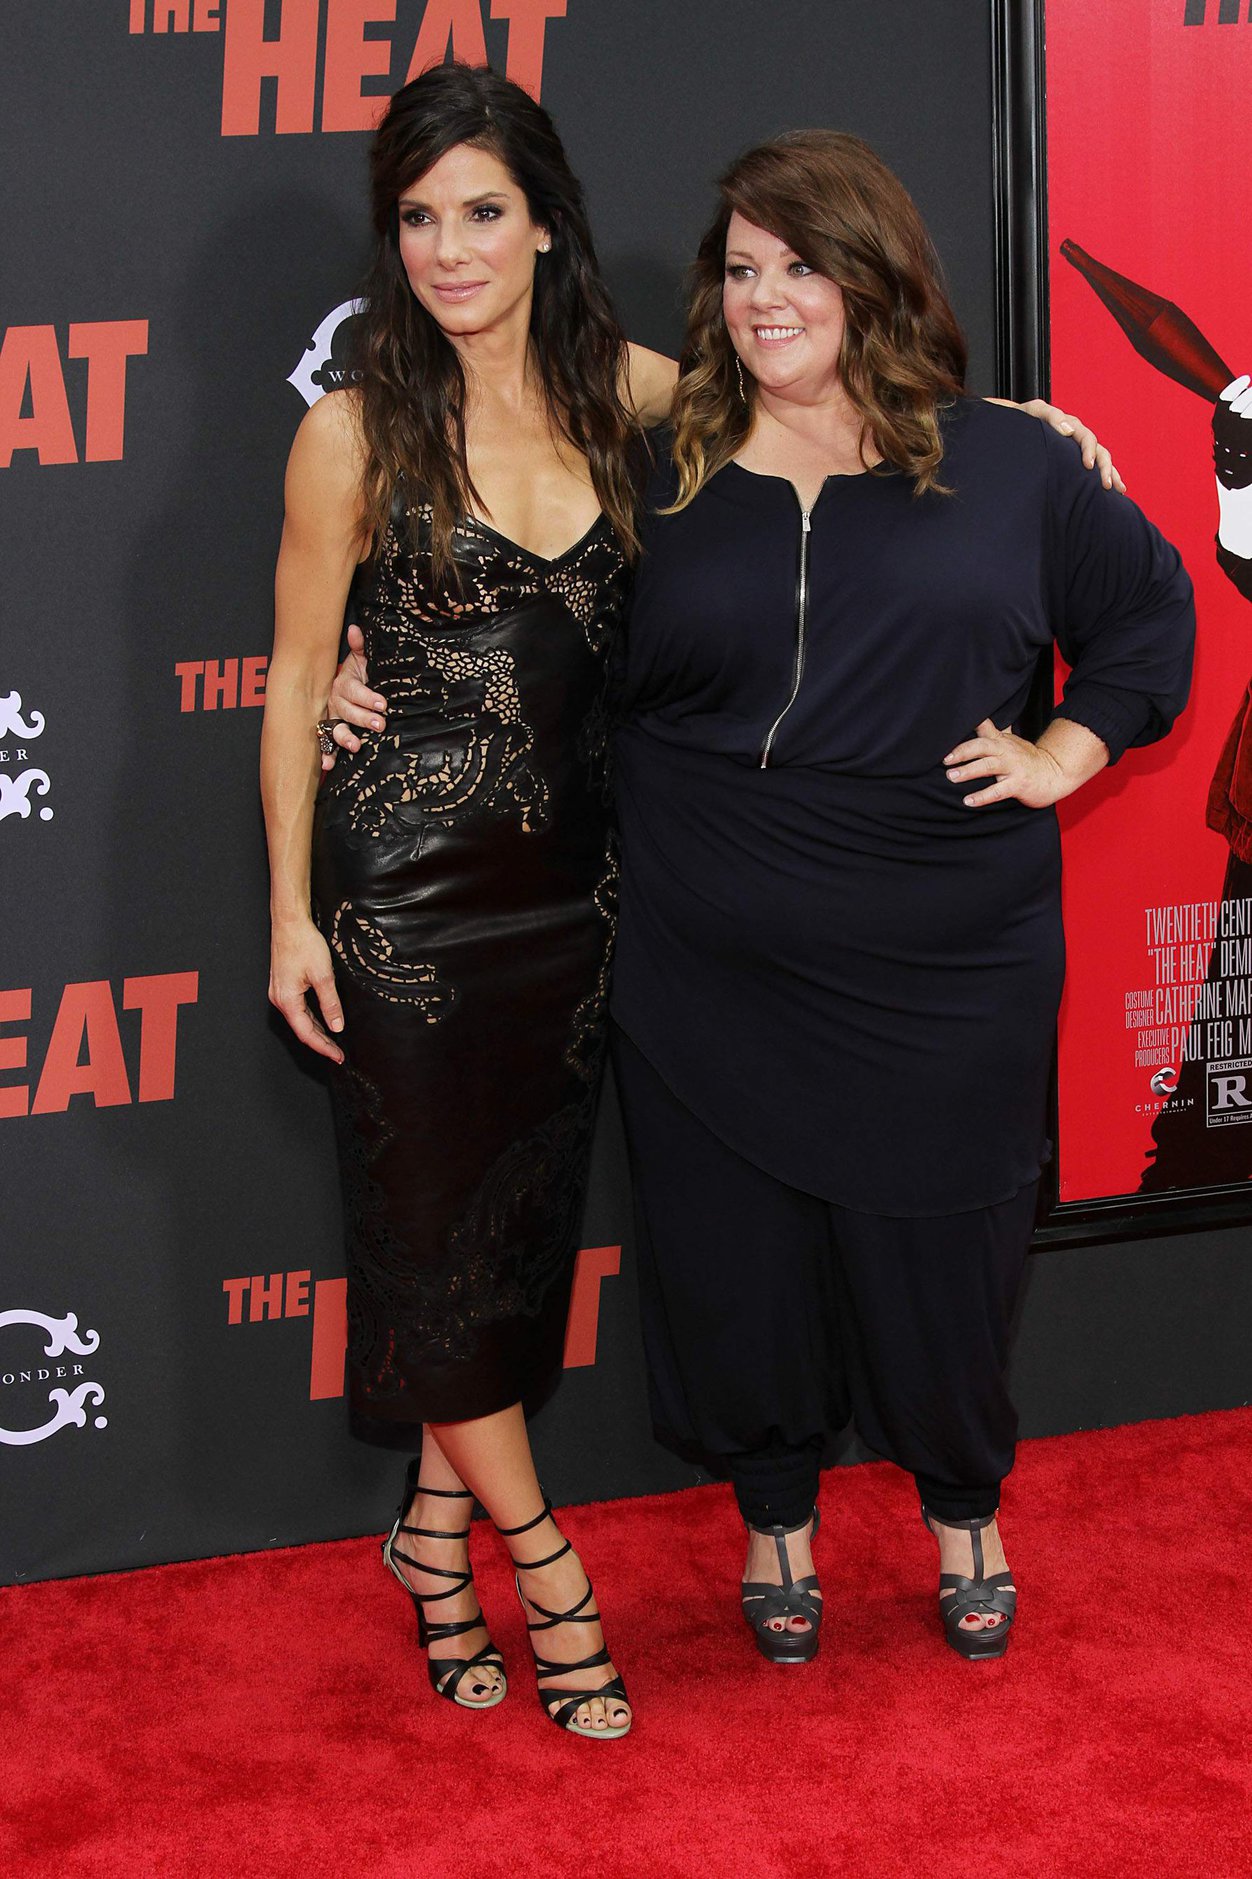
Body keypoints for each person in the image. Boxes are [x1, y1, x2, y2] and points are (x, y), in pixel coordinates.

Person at [322, 114, 1144, 1672]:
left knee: (946, 1257)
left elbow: (1139, 612)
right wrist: (350, 679)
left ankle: (961, 1512)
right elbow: (510, 615)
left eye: (805, 263)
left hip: (936, 968)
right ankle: (771, 1523)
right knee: (718, 1256)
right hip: (657, 948)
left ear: (873, 274)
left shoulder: (985, 456)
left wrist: (1067, 740)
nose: (770, 295)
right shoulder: (665, 450)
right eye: (745, 267)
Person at [261, 63, 672, 1738]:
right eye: (418, 218)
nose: (447, 248)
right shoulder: (354, 428)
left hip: (575, 908)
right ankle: (542, 1566)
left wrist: (1032, 425)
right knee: (436, 1249)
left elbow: (825, 387)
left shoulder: (631, 390)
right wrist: (288, 918)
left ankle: (431, 1544)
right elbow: (295, 684)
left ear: (546, 221)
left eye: (480, 211)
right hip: (404, 910)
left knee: (509, 1242)